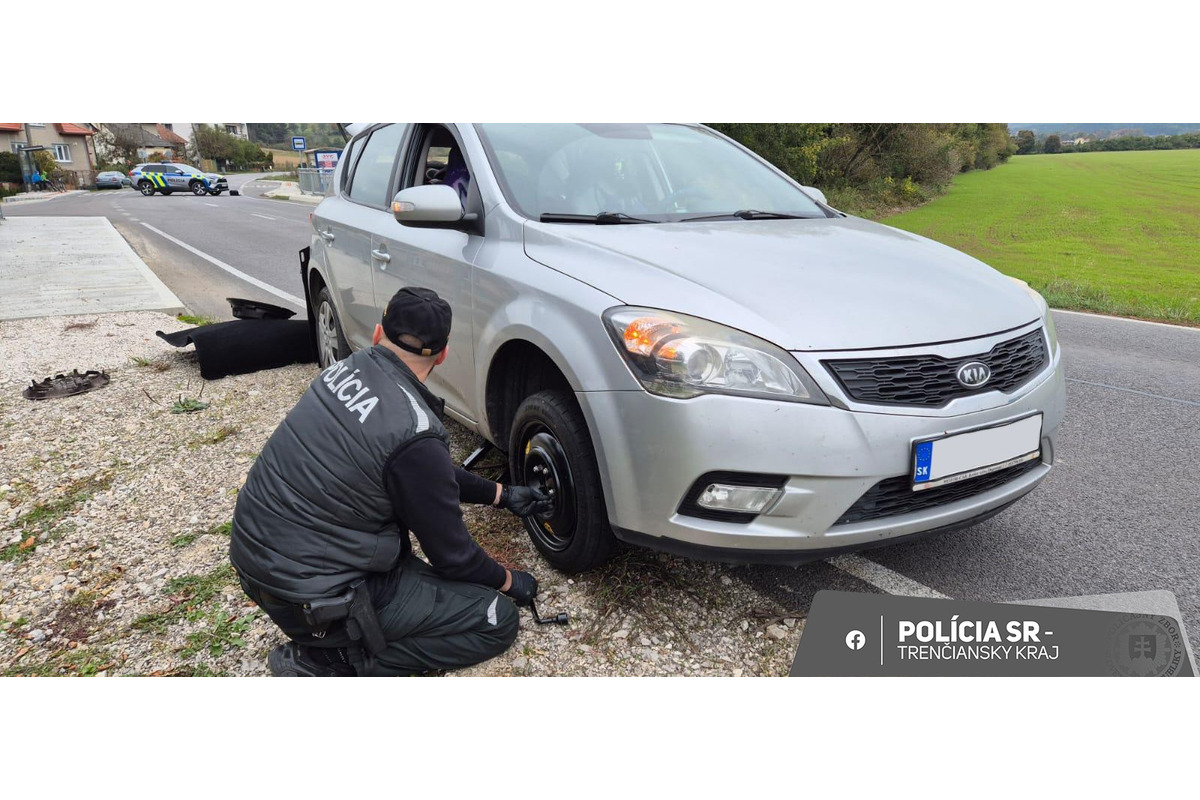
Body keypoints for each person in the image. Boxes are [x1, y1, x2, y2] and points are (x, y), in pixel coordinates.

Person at [229, 286, 552, 676]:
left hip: (259, 560)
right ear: (444, 354)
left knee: (414, 573)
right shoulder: (413, 433)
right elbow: (454, 557)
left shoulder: (345, 370)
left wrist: (500, 494)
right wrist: (509, 581)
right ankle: (332, 662)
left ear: (379, 332)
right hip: (310, 598)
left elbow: (418, 471)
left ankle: (339, 635)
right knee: (495, 619)